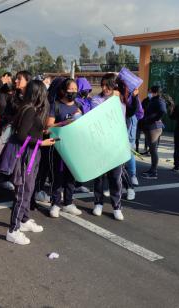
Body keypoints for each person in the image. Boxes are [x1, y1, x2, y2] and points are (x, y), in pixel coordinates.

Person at [4, 80, 56, 245]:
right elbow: (22, 136)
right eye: (44, 92)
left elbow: (29, 131)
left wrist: (42, 131)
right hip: (27, 155)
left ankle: (24, 220)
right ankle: (13, 230)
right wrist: (42, 142)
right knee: (23, 192)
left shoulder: (31, 109)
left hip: (32, 154)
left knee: (29, 189)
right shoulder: (30, 110)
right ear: (39, 93)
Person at [90, 73, 128, 220]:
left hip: (116, 144)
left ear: (114, 86)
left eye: (108, 85)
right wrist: (114, 99)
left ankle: (116, 206)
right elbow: (100, 115)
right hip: (100, 143)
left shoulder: (121, 100)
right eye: (103, 85)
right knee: (99, 176)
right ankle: (98, 203)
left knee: (115, 177)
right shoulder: (96, 99)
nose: (105, 88)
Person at [46, 78, 83, 218]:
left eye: (75, 90)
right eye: (70, 90)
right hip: (59, 148)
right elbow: (48, 128)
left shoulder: (78, 106)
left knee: (70, 177)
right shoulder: (55, 106)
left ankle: (68, 203)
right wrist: (65, 123)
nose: (73, 92)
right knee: (58, 176)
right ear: (62, 90)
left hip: (74, 147)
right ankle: (55, 204)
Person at [141, 85, 167, 180]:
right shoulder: (153, 100)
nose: (149, 93)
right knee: (151, 149)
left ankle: (154, 172)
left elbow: (163, 111)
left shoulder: (159, 100)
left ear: (155, 92)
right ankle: (152, 169)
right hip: (150, 126)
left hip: (154, 128)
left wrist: (153, 118)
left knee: (153, 149)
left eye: (150, 91)